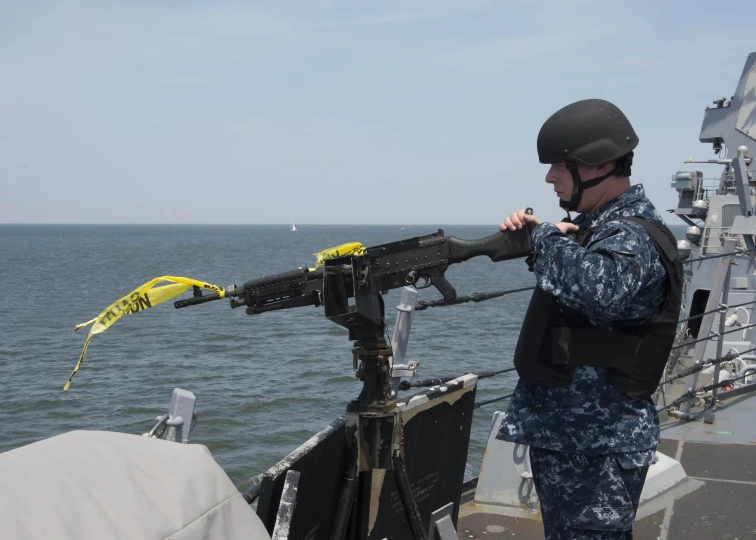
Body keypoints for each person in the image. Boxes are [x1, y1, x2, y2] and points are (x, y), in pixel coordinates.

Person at [497, 99, 683, 540]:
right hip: (578, 439)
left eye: (560, 166)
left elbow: (600, 291)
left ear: (598, 165)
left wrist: (543, 238)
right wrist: (549, 237)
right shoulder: (599, 227)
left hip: (597, 442)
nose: (549, 177)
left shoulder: (631, 233)